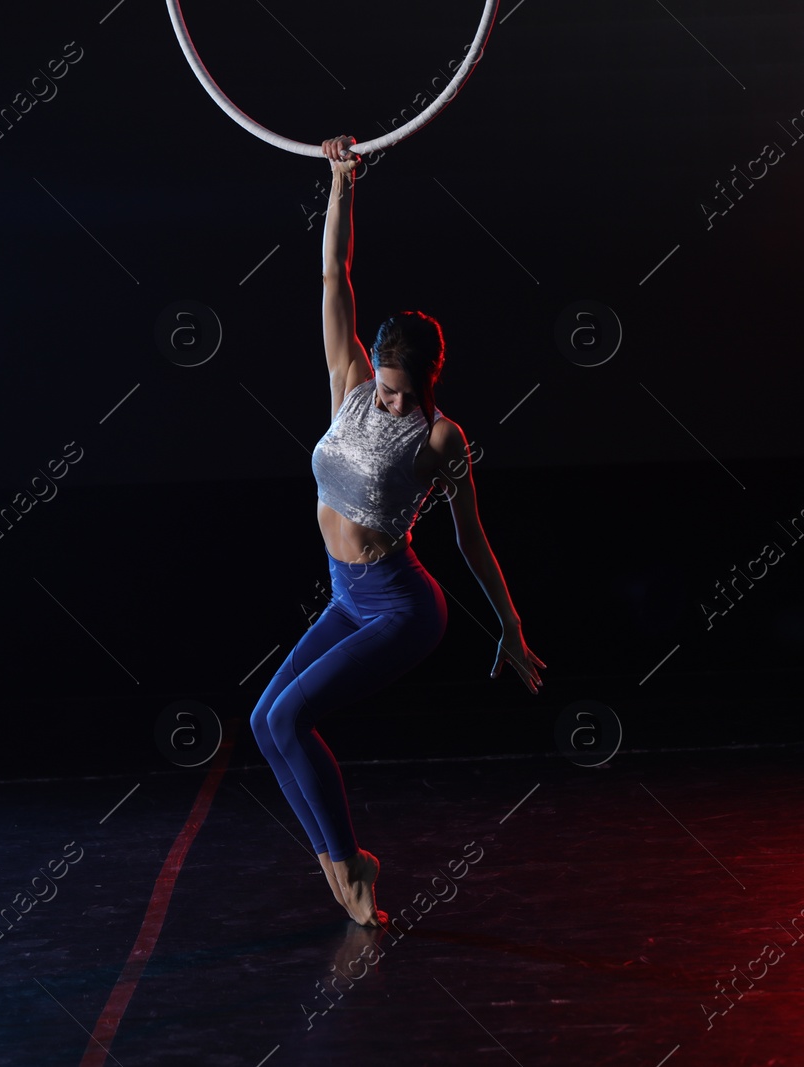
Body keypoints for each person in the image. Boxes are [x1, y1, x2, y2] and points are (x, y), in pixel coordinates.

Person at [248, 135, 546, 928]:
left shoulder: (442, 438)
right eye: (386, 391)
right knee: (261, 721)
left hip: (400, 607)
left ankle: (351, 874)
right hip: (348, 596)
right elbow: (332, 274)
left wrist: (510, 628)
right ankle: (346, 868)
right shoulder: (349, 380)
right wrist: (342, 183)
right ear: (371, 367)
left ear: (427, 386)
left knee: (285, 719)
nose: (391, 406)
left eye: (404, 396)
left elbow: (471, 539)